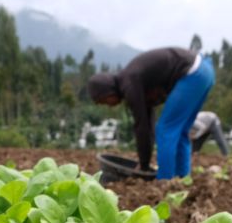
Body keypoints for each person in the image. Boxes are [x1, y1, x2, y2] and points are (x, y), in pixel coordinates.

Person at [87, 47, 215, 180]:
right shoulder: (131, 80)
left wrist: (143, 165)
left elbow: (142, 127)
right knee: (181, 131)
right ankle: (182, 179)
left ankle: (165, 181)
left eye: (103, 101)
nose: (108, 105)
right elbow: (148, 122)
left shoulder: (129, 84)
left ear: (107, 91)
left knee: (166, 129)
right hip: (204, 71)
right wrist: (144, 164)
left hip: (192, 73)